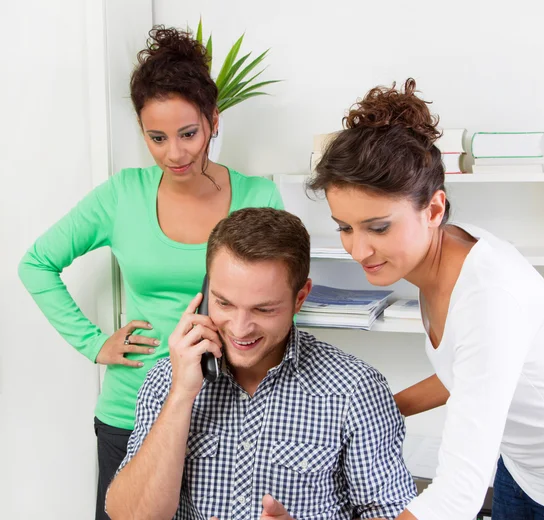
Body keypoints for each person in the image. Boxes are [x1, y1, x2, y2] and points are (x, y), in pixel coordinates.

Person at [18, 26, 284, 519]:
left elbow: (277, 307)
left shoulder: (258, 197)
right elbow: (36, 263)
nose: (175, 154)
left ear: (214, 121)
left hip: (227, 412)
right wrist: (94, 343)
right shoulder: (122, 195)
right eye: (156, 138)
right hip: (129, 410)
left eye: (188, 134)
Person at [307, 79, 544, 520]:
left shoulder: (489, 297)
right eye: (345, 227)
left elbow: (456, 499)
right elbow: (470, 372)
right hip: (522, 468)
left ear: (434, 209)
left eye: (379, 227)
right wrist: (378, 413)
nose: (358, 250)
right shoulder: (442, 256)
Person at [105, 207, 417, 520]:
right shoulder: (167, 379)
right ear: (205, 291)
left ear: (300, 298)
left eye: (264, 310)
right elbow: (128, 516)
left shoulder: (356, 389)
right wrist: (181, 395)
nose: (240, 329)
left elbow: (391, 512)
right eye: (224, 303)